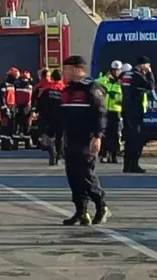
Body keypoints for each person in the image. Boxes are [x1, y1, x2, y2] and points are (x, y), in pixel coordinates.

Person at [60, 55, 110, 226]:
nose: (63, 73)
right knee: (73, 176)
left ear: (76, 69)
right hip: (70, 139)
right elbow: (62, 116)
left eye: (65, 69)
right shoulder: (67, 91)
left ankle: (101, 206)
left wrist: (97, 136)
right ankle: (81, 211)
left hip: (86, 139)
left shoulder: (92, 88)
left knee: (86, 175)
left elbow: (101, 114)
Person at [121, 56, 155, 173]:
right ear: (142, 65)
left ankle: (127, 165)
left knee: (129, 139)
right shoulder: (137, 75)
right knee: (136, 139)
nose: (149, 67)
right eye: (147, 65)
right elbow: (150, 86)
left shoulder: (126, 74)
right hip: (134, 110)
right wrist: (150, 73)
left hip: (126, 109)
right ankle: (134, 165)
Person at [96, 60, 124, 164]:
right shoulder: (105, 80)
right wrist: (105, 78)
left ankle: (113, 155)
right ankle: (103, 154)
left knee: (115, 135)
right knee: (104, 133)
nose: (116, 72)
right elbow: (96, 84)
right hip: (105, 111)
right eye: (114, 70)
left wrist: (116, 98)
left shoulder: (122, 82)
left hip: (116, 111)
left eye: (118, 70)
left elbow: (123, 96)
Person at [37, 69, 65, 165]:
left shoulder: (46, 88)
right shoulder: (64, 89)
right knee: (60, 137)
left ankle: (52, 151)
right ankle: (58, 156)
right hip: (61, 117)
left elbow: (39, 101)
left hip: (47, 117)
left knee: (47, 136)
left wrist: (37, 112)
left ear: (52, 78)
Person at [0, 67, 19, 150]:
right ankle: (4, 145)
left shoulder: (13, 85)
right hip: (6, 108)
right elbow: (2, 97)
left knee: (11, 126)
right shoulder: (4, 85)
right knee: (5, 127)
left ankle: (9, 143)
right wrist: (5, 108)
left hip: (12, 107)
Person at [15, 70, 34, 149]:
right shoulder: (30, 87)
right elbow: (31, 98)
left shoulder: (16, 85)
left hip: (19, 107)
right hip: (26, 108)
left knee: (17, 126)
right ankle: (27, 144)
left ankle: (15, 145)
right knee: (27, 126)